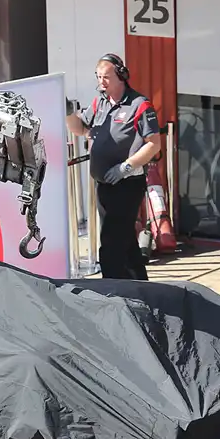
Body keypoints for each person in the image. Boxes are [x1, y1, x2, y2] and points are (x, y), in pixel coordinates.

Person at [65, 53, 161, 280]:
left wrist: (125, 167)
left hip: (126, 184)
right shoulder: (99, 103)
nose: (101, 82)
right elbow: (80, 129)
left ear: (121, 76)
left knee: (110, 243)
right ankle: (140, 286)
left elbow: (154, 144)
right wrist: (69, 112)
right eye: (99, 77)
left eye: (106, 77)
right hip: (103, 184)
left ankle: (111, 291)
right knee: (124, 240)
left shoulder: (140, 105)